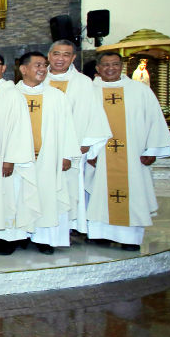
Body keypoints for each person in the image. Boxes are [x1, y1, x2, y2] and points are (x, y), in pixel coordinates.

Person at [84, 52, 170, 250]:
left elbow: (154, 120)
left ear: (122, 66)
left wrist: (152, 149)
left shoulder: (139, 90)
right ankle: (99, 235)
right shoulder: (89, 90)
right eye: (105, 65)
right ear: (98, 68)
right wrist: (89, 152)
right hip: (100, 156)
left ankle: (130, 238)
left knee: (133, 193)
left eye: (115, 64)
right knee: (98, 193)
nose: (110, 68)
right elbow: (82, 123)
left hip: (133, 155)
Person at [15, 52, 79, 254]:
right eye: (37, 65)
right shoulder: (11, 94)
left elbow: (67, 127)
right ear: (23, 69)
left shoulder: (56, 96)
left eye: (44, 65)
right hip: (19, 160)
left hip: (48, 158)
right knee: (18, 197)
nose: (42, 69)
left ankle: (44, 239)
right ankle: (20, 236)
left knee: (47, 196)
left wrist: (67, 154)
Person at [45, 39, 111, 233]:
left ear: (73, 58)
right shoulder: (38, 79)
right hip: (42, 149)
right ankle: (41, 231)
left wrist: (84, 145)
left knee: (70, 190)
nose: (60, 58)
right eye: (56, 54)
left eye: (66, 54)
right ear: (49, 55)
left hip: (72, 149)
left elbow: (94, 115)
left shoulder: (83, 83)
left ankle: (67, 229)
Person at [0, 52, 38, 255]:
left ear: (3, 68)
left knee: (8, 196)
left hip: (5, 158)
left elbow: (19, 128)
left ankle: (9, 237)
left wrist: (10, 159)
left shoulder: (12, 93)